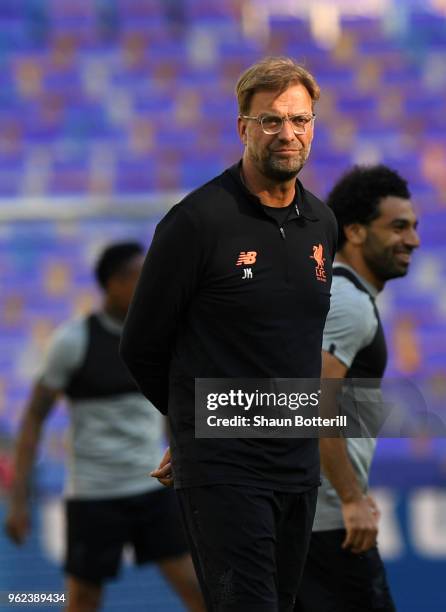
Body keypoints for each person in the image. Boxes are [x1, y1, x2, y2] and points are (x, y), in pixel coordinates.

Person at [120, 57, 338, 611]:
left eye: (299, 119)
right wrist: (193, 423)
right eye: (270, 121)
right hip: (224, 468)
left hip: (297, 467)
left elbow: (297, 339)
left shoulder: (322, 223)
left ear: (313, 125)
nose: (287, 133)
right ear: (243, 127)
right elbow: (141, 344)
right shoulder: (196, 222)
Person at [4, 242, 204, 612]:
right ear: (113, 283)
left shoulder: (161, 338)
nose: (150, 288)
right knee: (83, 601)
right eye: (139, 279)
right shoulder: (73, 341)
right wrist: (19, 500)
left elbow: (174, 410)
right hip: (94, 495)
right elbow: (33, 417)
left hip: (152, 489)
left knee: (198, 591)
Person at [295, 165, 420, 612]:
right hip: (328, 522)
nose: (413, 240)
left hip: (311, 518)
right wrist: (351, 499)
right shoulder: (347, 302)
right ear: (354, 231)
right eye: (398, 227)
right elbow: (316, 403)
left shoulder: (334, 292)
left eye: (415, 227)